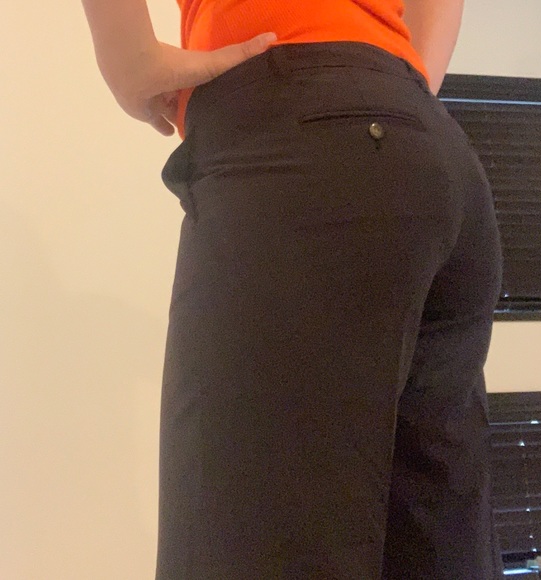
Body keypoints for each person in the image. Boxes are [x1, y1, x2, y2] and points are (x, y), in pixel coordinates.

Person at [81, 1, 505, 578]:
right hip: (431, 148)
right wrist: (384, 97)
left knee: (247, 550)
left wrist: (125, 56)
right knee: (435, 545)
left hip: (297, 130)